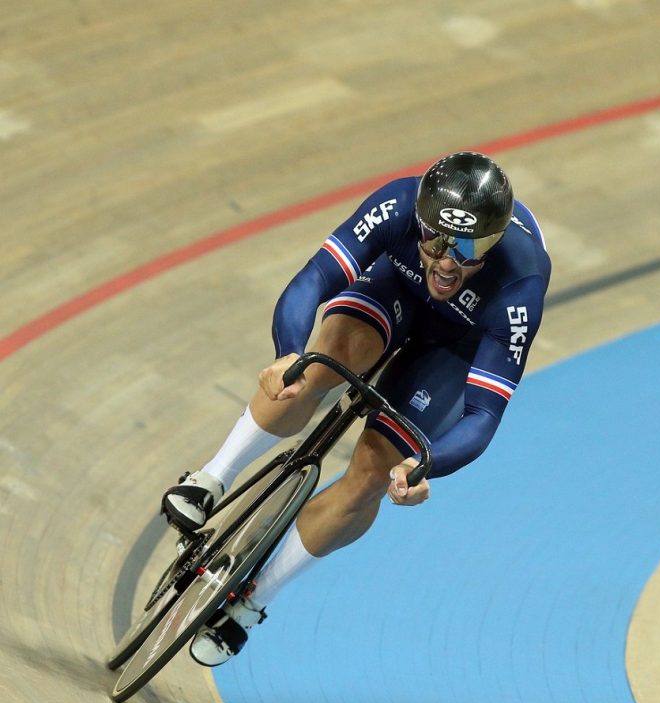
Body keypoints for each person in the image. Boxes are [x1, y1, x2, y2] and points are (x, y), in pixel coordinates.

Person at [162, 151, 551, 666]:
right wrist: (287, 356)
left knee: (374, 471)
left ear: (495, 242)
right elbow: (313, 280)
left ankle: (253, 603)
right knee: (316, 366)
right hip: (399, 291)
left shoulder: (520, 282)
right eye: (435, 240)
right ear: (419, 220)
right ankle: (212, 478)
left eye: (467, 248)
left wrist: (424, 464)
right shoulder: (395, 204)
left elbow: (482, 415)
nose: (447, 261)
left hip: (458, 346)